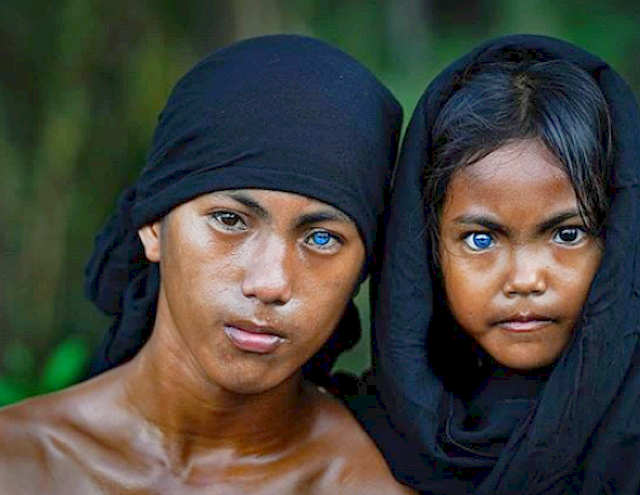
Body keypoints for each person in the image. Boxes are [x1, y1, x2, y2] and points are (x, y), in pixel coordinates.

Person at [0, 35, 415, 494]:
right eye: (230, 220)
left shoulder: (374, 484)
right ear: (154, 226)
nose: (270, 283)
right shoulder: (17, 462)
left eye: (322, 237)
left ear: (363, 268)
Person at [350, 34, 640, 494]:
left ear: (622, 240)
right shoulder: (357, 440)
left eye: (568, 234)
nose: (525, 280)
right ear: (425, 250)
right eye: (480, 239)